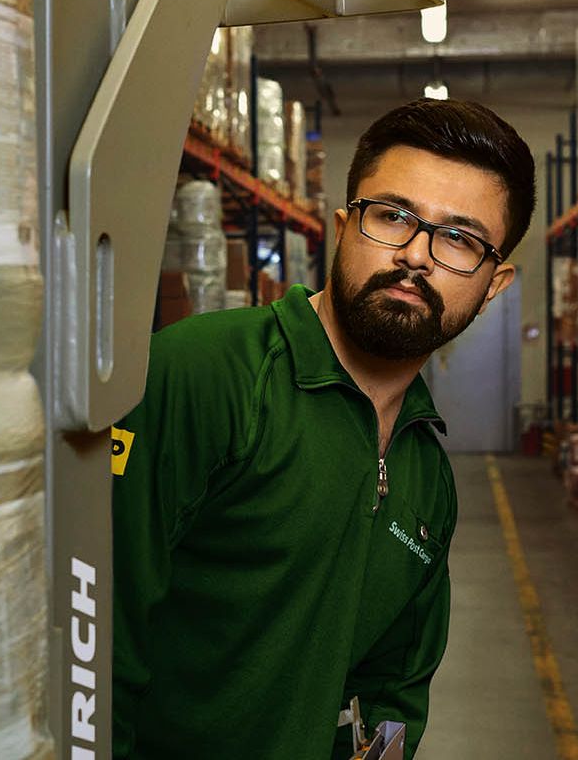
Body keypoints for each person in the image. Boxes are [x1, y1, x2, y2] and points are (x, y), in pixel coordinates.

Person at [109, 98, 533, 759]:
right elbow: (95, 641)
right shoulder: (203, 376)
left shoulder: (427, 478)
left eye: (459, 238)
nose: (417, 255)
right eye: (392, 216)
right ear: (344, 226)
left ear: (495, 281)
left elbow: (391, 692)